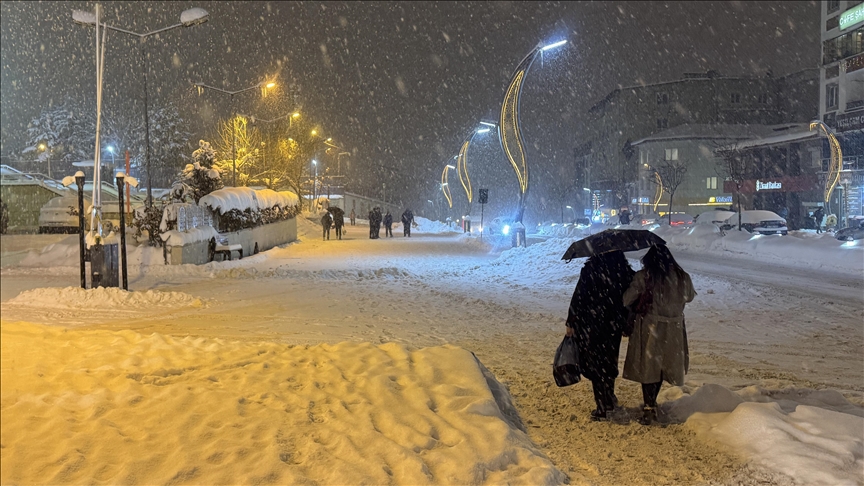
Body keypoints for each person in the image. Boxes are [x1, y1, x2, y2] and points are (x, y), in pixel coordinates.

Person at [622, 244, 696, 425]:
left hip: (650, 326)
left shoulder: (644, 277)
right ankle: (651, 403)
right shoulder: (682, 277)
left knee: (649, 366)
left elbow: (626, 299)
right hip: (674, 329)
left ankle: (649, 407)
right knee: (664, 365)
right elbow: (690, 297)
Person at [565, 250, 635, 422]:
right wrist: (626, 320)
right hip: (613, 323)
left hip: (591, 322)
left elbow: (579, 296)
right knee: (609, 360)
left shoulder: (591, 269)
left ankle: (602, 406)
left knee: (595, 363)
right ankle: (609, 398)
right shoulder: (623, 271)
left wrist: (571, 320)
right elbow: (629, 299)